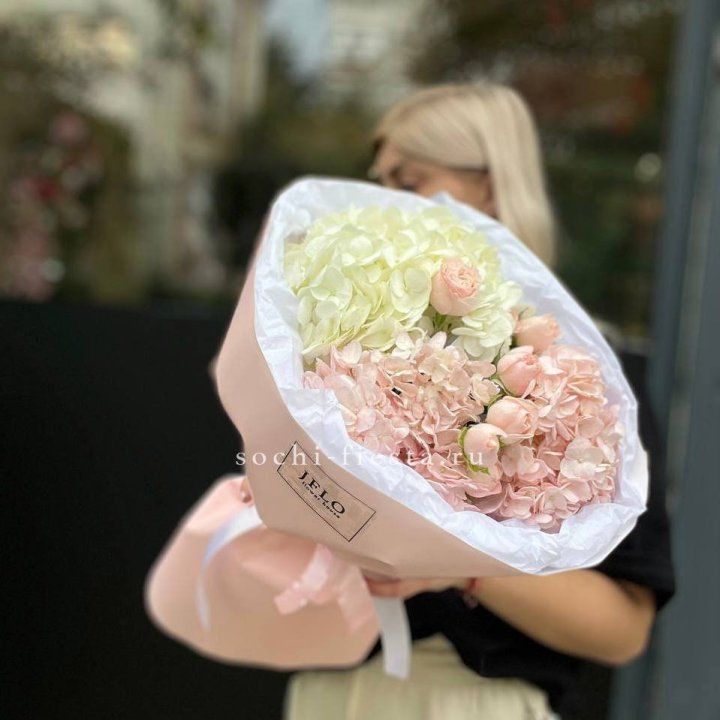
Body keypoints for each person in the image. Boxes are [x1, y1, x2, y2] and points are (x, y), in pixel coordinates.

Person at [284, 84, 676, 720]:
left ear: (489, 187)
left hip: (474, 701)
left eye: (407, 182)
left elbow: (622, 631)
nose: (382, 202)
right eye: (379, 182)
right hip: (328, 691)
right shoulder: (336, 355)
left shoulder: (583, 375)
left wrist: (462, 566)